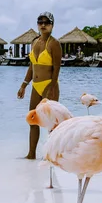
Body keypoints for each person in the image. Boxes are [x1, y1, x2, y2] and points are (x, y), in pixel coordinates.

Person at [17, 11, 62, 159]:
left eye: (46, 22)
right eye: (40, 22)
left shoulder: (54, 44)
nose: (43, 25)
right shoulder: (34, 42)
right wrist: (24, 85)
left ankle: (52, 155)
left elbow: (56, 70)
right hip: (35, 86)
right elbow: (32, 66)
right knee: (32, 120)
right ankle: (31, 154)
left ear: (52, 25)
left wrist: (51, 88)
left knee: (52, 124)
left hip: (50, 85)